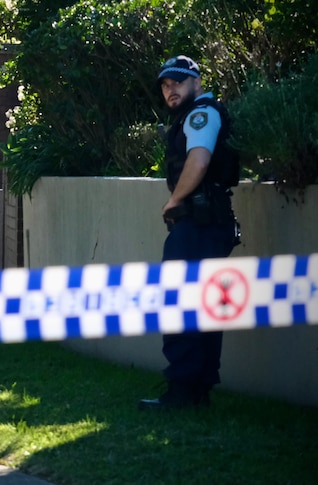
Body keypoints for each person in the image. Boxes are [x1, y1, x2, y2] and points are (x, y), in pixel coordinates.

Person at [139, 55, 241, 410]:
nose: (171, 90)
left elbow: (198, 160)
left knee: (179, 303)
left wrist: (173, 201)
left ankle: (183, 391)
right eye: (166, 85)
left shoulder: (201, 114)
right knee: (205, 308)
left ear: (197, 81)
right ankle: (197, 391)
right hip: (208, 223)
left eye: (178, 82)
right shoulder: (194, 115)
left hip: (199, 224)